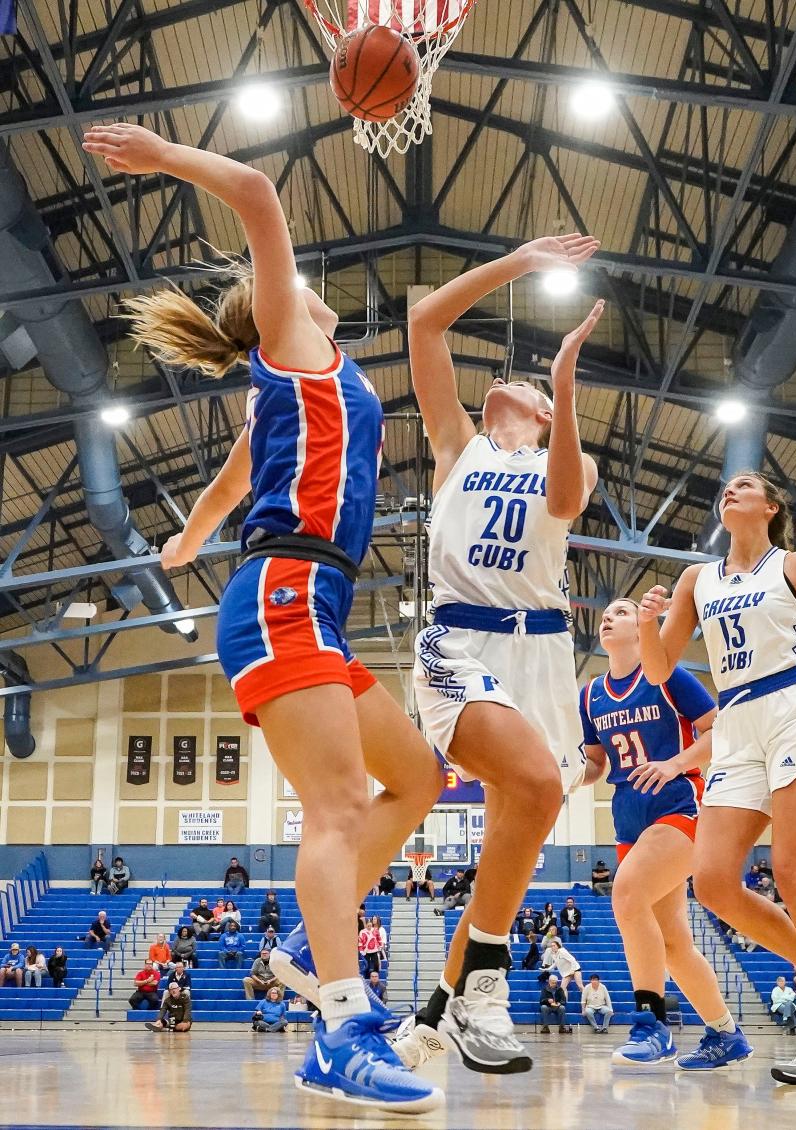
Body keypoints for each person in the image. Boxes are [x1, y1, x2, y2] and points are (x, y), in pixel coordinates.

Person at [84, 119, 442, 1112]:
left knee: (417, 776)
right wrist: (166, 160)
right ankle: (344, 1024)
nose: (311, 290)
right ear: (284, 309)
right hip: (286, 590)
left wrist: (188, 540)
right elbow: (254, 190)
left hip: (310, 596)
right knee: (334, 807)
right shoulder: (290, 341)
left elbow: (234, 480)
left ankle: (303, 940)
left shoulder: (294, 388)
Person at [395, 235, 601, 1077]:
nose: (505, 377)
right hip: (459, 638)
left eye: (527, 386)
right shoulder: (456, 447)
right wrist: (521, 261)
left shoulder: (570, 455)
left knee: (527, 814)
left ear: (545, 414)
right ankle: (486, 983)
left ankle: (439, 1012)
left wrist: (562, 386)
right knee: (539, 784)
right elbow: (423, 323)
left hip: (545, 654)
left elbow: (562, 497)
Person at [637, 470, 796, 1086]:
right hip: (736, 719)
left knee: (794, 870)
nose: (730, 490)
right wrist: (647, 620)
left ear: (771, 506)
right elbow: (660, 669)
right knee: (713, 882)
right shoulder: (698, 579)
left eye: (745, 485)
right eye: (726, 487)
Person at [582, 596, 752, 1071]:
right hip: (627, 818)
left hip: (679, 805)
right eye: (605, 614)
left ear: (641, 625)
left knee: (627, 894)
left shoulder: (667, 675)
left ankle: (651, 1024)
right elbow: (597, 762)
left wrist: (676, 763)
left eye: (619, 610)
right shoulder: (590, 693)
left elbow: (723, 731)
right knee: (674, 942)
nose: (608, 618)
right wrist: (568, 774)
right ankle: (725, 1033)